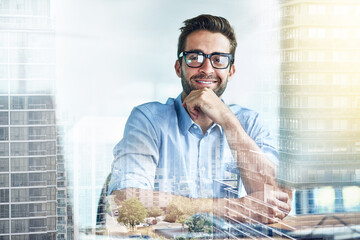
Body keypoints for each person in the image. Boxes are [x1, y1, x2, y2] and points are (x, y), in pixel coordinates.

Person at [108, 14, 291, 227]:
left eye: (218, 59)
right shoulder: (149, 119)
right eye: (195, 57)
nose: (207, 69)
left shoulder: (250, 123)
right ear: (179, 68)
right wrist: (231, 208)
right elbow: (125, 201)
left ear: (230, 71)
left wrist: (228, 121)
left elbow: (277, 203)